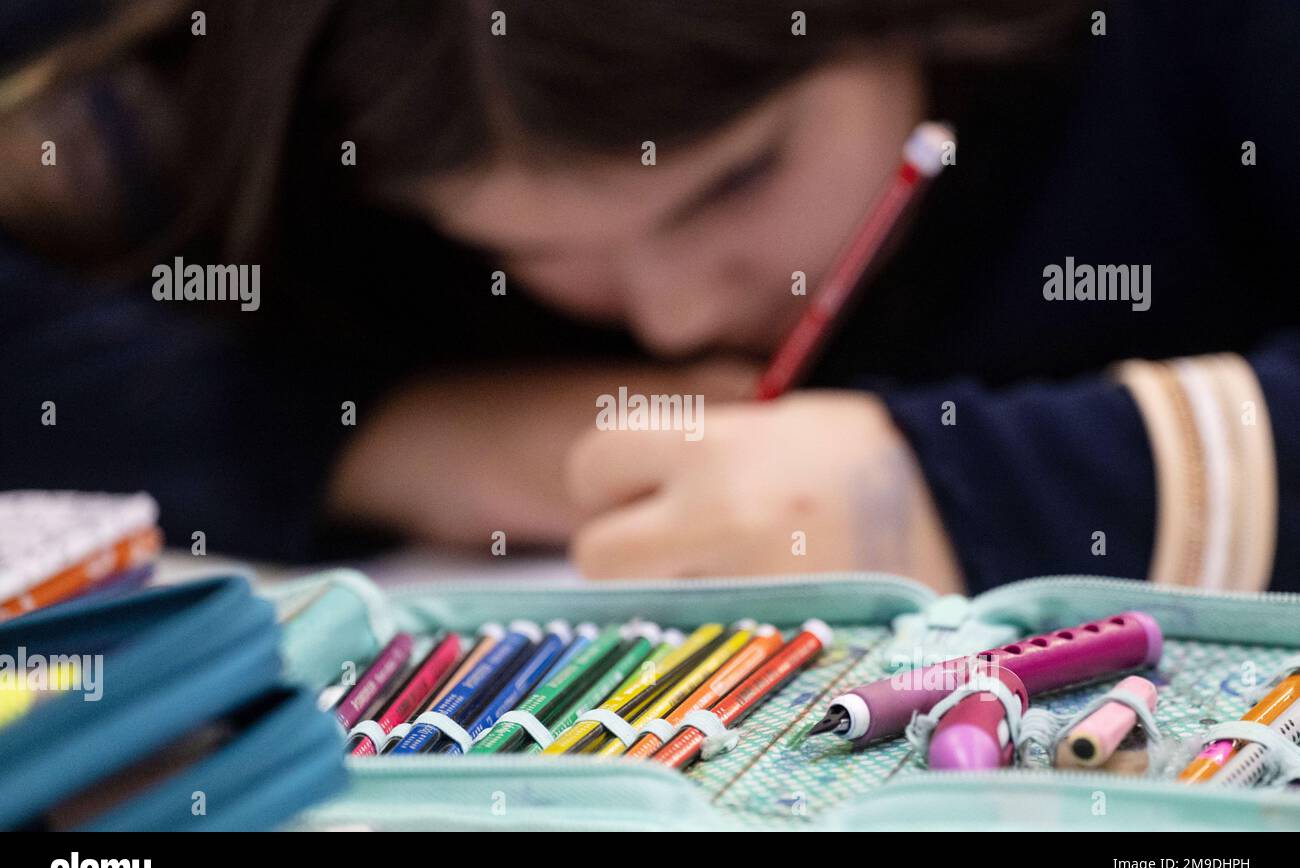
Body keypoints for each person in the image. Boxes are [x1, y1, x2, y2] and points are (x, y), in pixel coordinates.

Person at [1, 0, 1296, 595]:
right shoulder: (273, 105)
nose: (670, 321)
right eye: (534, 248)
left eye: (735, 182)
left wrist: (970, 494)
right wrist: (392, 431)